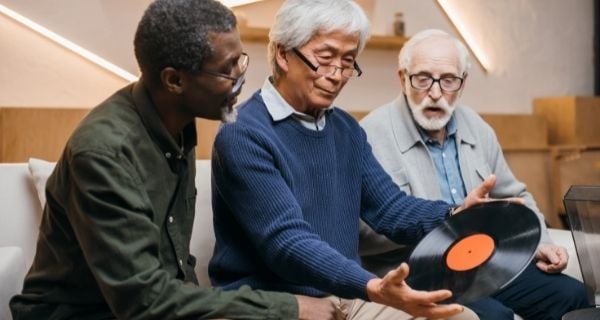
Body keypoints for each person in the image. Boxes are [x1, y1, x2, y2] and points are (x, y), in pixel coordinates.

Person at [9, 1, 341, 319]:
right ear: (175, 81)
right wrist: (287, 308)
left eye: (239, 60)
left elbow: (175, 269)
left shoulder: (177, 127)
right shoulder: (103, 155)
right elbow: (143, 301)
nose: (240, 78)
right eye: (227, 70)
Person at [208, 1, 518, 319]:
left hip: (345, 294)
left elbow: (390, 209)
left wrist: (455, 214)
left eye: (348, 62)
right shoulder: (243, 133)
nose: (337, 76)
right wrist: (370, 285)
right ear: (284, 54)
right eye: (325, 59)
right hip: (272, 301)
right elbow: (287, 242)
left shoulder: (346, 129)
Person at [358, 29, 590, 320]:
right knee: (494, 317)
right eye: (422, 78)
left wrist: (542, 241)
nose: (435, 92)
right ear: (402, 78)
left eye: (448, 80)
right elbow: (359, 229)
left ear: (463, 82)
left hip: (484, 264)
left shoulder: (476, 128)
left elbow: (515, 195)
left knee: (573, 296)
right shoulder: (370, 135)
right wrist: (437, 225)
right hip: (417, 275)